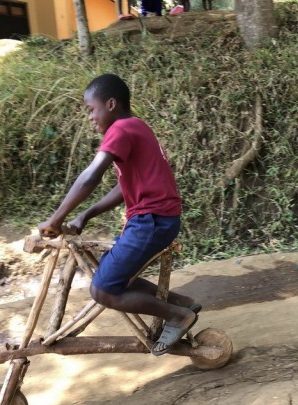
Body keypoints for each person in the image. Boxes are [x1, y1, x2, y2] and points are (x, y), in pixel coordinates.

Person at [38, 73, 199, 356]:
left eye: (91, 109)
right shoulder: (136, 127)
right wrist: (85, 215)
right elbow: (124, 189)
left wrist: (56, 218)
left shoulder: (121, 130)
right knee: (109, 269)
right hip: (155, 220)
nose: (90, 117)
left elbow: (91, 176)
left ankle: (176, 316)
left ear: (111, 103)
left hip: (151, 221)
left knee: (103, 290)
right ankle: (180, 302)